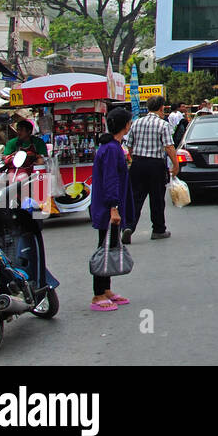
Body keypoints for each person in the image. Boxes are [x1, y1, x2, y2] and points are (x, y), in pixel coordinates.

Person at [89, 105, 134, 312]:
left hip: (111, 206)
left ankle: (106, 290)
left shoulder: (114, 147)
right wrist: (113, 208)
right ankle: (98, 294)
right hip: (107, 207)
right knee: (104, 248)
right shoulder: (110, 150)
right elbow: (110, 180)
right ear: (125, 125)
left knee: (110, 246)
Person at [123, 95, 180, 244]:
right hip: (156, 165)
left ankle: (128, 226)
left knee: (135, 198)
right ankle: (158, 230)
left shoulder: (136, 123)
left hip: (138, 164)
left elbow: (129, 144)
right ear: (161, 108)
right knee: (157, 199)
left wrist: (134, 157)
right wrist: (176, 164)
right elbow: (169, 146)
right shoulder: (163, 125)